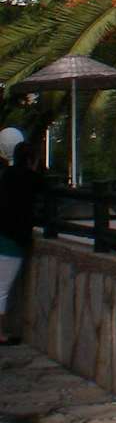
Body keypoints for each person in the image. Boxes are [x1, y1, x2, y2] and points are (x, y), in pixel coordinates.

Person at [0, 142, 42, 345]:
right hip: (12, 240)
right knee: (2, 289)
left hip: (3, 233)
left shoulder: (6, 175)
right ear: (30, 160)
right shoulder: (31, 179)